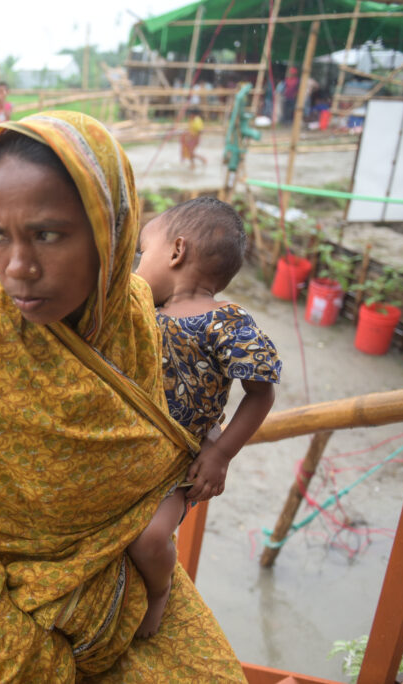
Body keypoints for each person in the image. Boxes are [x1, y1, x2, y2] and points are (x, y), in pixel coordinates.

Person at [0, 111, 244, 680]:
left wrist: (207, 443)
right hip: (32, 621)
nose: (17, 268)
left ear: (111, 229)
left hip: (134, 582)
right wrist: (12, 646)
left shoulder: (137, 320)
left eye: (47, 234)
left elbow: (164, 434)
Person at [130, 196, 282, 637]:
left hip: (182, 460)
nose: (139, 264)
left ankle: (159, 590)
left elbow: (260, 393)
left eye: (144, 252)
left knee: (151, 538)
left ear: (176, 252)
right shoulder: (142, 311)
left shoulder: (228, 321)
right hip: (133, 448)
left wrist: (220, 453)